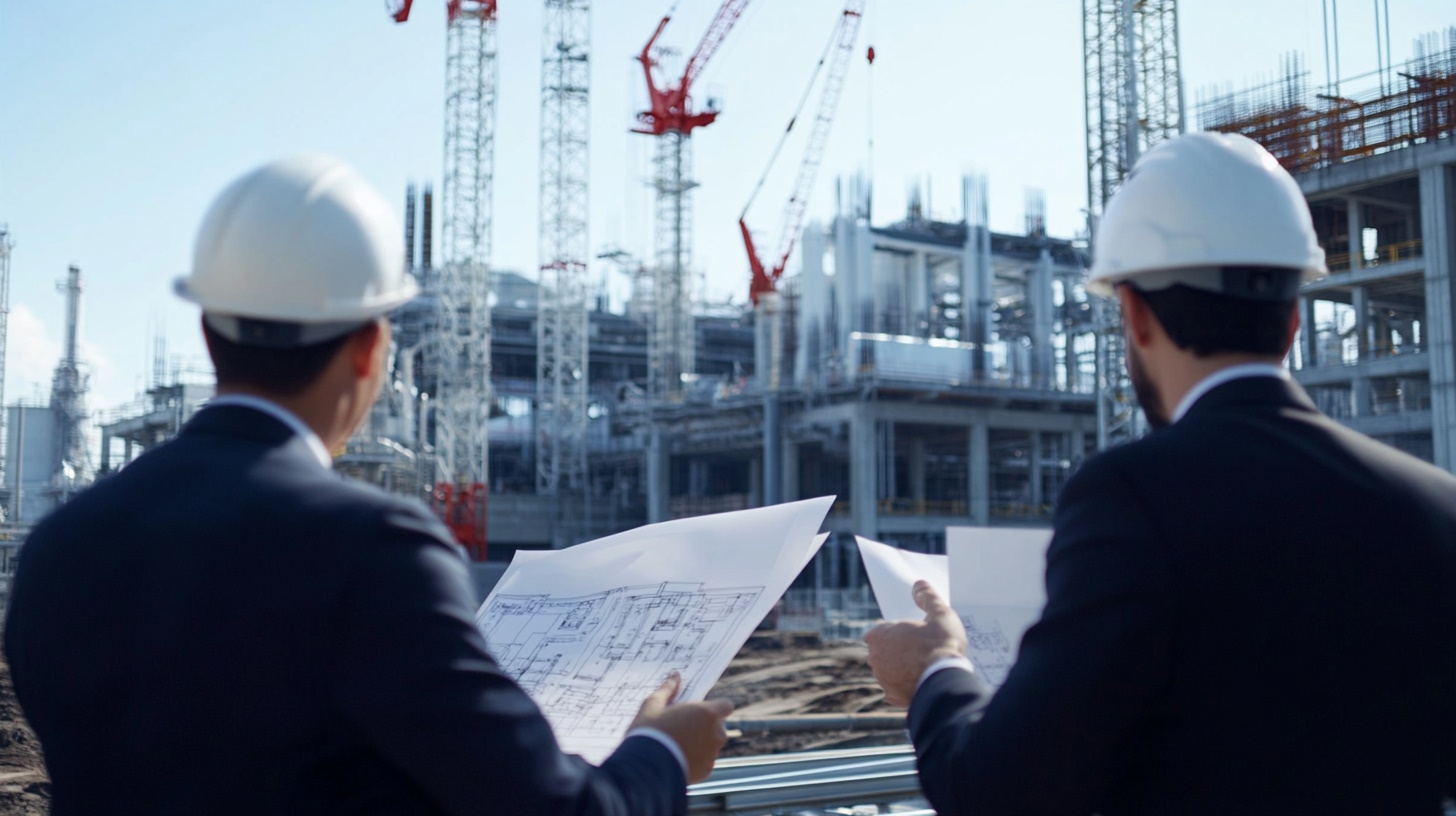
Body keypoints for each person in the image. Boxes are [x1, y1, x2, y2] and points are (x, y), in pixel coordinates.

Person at [5, 155, 732, 815]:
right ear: (370, 350)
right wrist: (661, 752)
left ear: (206, 331)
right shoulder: (371, 550)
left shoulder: (59, 548)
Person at [864, 132, 1456, 814]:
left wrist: (936, 668)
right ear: (1294, 320)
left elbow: (998, 790)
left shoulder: (1131, 498)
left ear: (1136, 316)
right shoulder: (1435, 507)